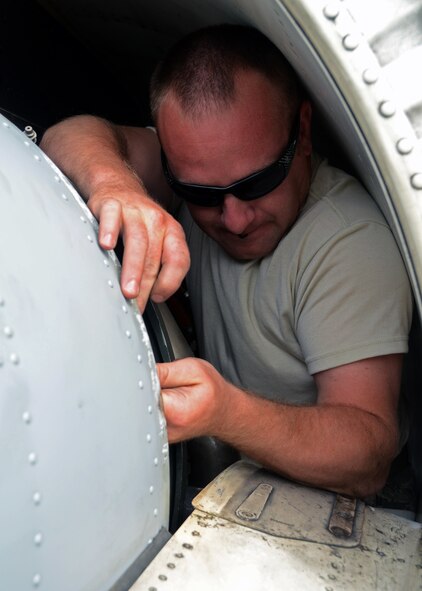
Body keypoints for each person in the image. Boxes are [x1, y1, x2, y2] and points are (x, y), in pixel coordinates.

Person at [41, 25, 412, 497]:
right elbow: (69, 134)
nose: (234, 219)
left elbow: (367, 456)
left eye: (256, 183)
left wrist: (226, 413)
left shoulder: (350, 240)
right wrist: (119, 187)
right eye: (201, 194)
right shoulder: (199, 169)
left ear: (302, 131)